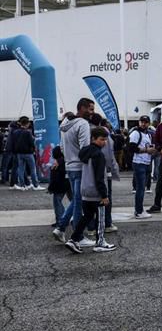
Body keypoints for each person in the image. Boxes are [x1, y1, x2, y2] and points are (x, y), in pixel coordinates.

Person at [64, 126, 116, 253]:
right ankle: (100, 242)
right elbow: (99, 177)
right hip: (96, 191)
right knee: (100, 218)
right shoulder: (99, 155)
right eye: (101, 139)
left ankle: (74, 239)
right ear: (93, 138)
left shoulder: (84, 152)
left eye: (105, 140)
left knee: (86, 216)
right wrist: (104, 195)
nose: (104, 142)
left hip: (85, 189)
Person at [52, 98, 95, 245]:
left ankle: (61, 227)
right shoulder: (82, 124)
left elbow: (61, 148)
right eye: (90, 109)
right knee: (79, 202)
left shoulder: (64, 124)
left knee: (77, 199)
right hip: (80, 166)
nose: (92, 112)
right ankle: (78, 236)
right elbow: (85, 148)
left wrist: (68, 158)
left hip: (69, 166)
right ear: (82, 108)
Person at [128, 115, 156, 219]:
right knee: (140, 188)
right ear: (139, 122)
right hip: (139, 162)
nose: (143, 124)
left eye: (146, 122)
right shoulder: (136, 133)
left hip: (145, 162)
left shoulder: (148, 134)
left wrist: (151, 150)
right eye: (142, 122)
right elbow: (131, 147)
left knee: (142, 188)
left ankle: (139, 210)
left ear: (149, 123)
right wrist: (146, 150)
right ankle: (139, 211)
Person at [13, 116, 45, 191]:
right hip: (28, 153)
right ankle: (36, 185)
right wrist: (33, 148)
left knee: (21, 169)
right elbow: (31, 143)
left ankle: (22, 186)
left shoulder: (15, 132)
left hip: (19, 153)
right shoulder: (28, 132)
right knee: (32, 169)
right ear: (27, 124)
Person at [48, 146, 70, 227]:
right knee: (73, 202)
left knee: (57, 202)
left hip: (59, 186)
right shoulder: (65, 161)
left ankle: (60, 221)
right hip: (67, 183)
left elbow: (54, 179)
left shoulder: (56, 164)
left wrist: (50, 188)